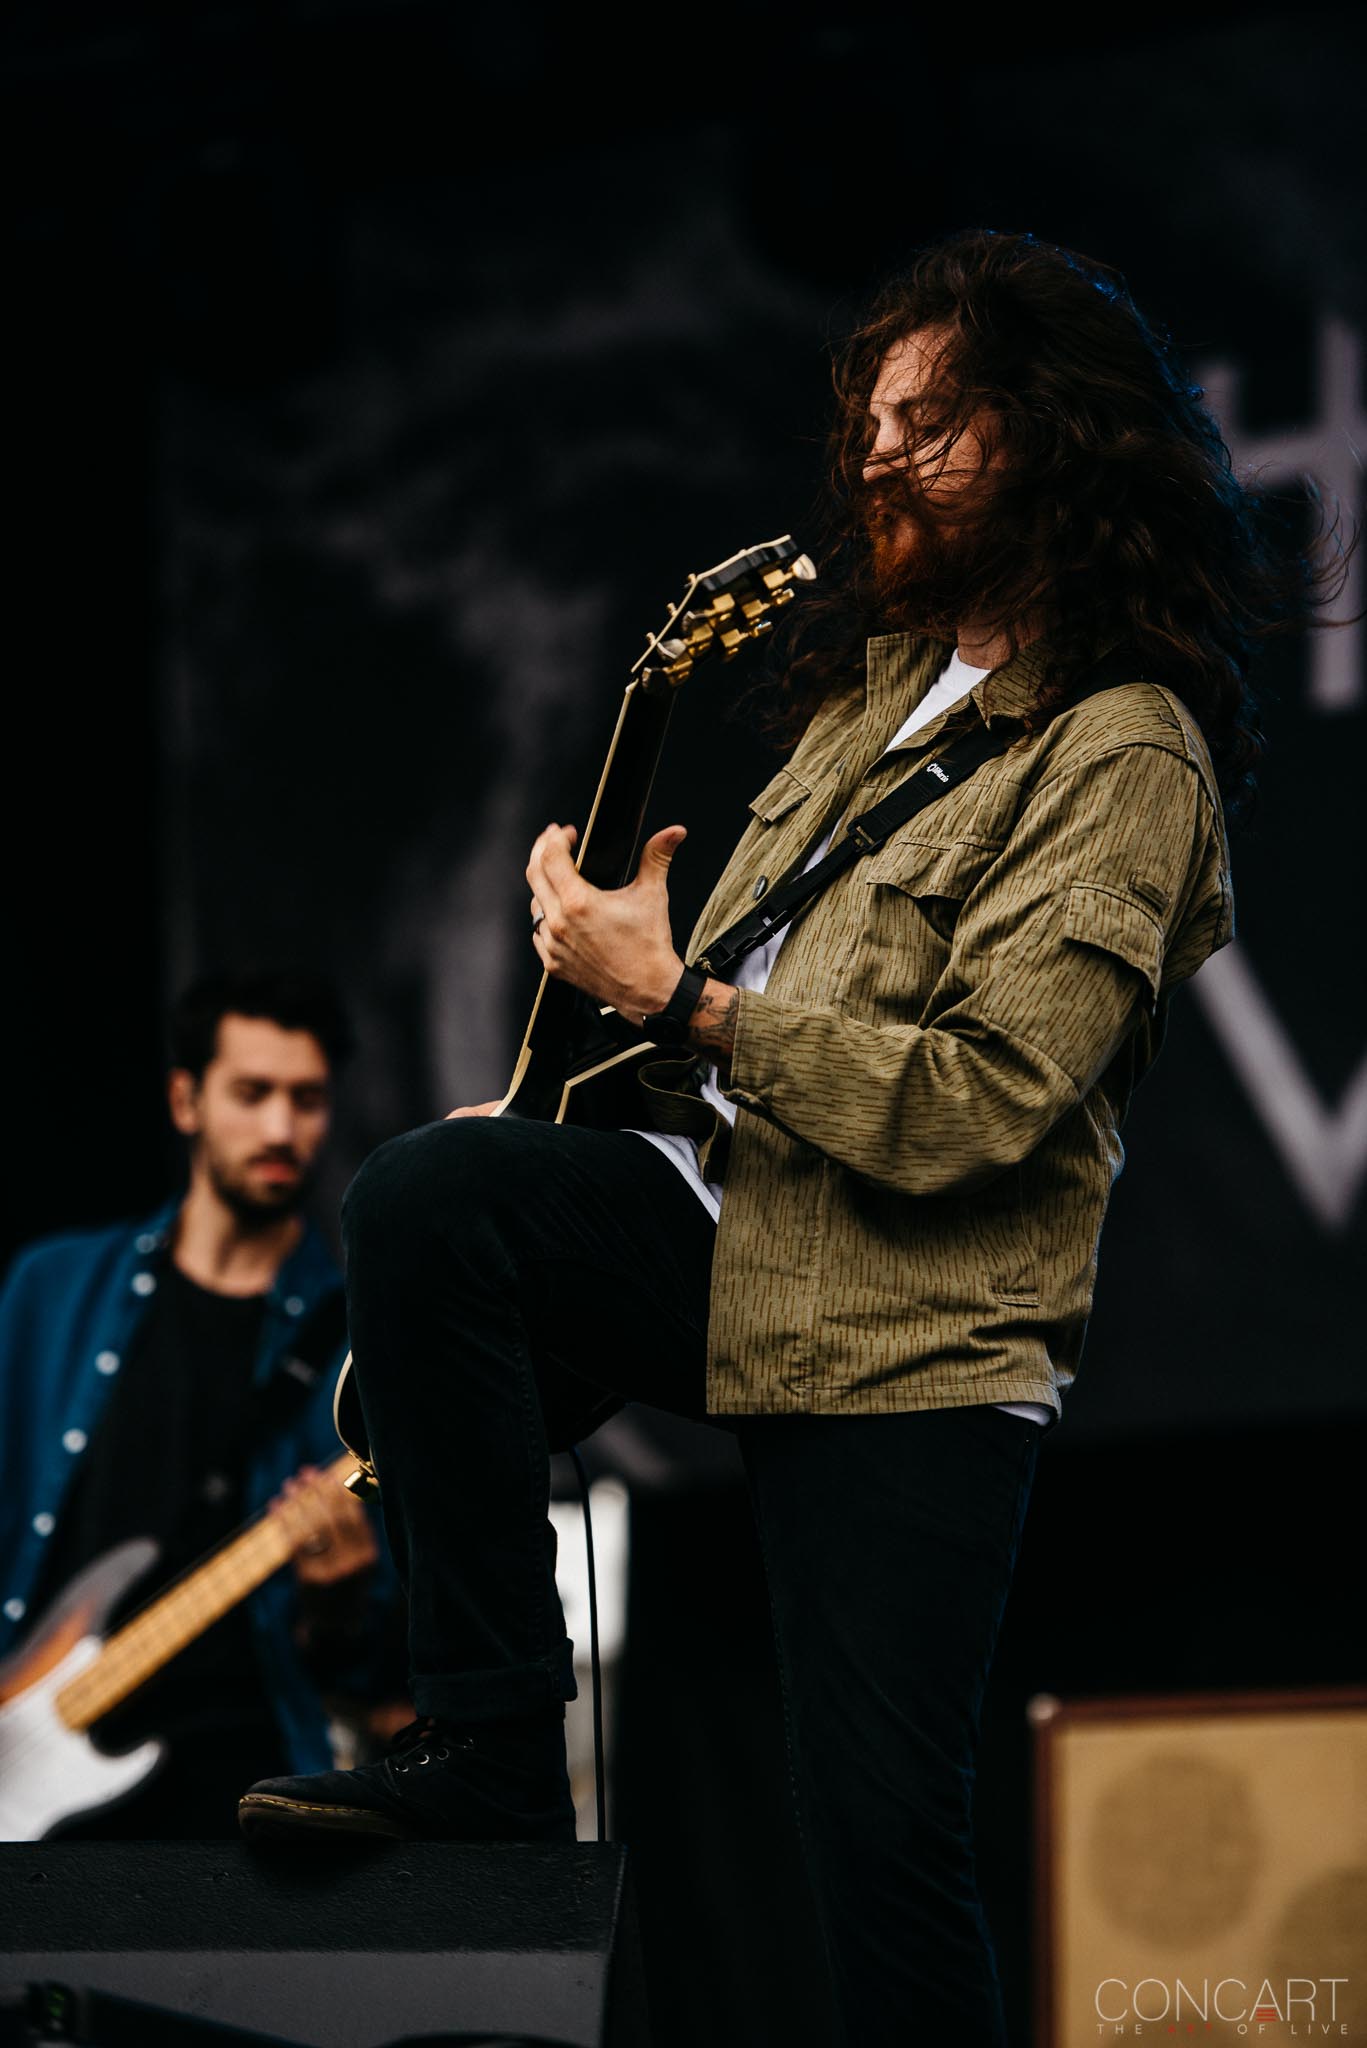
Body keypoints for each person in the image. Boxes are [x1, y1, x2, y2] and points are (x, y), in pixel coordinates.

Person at [238, 232, 1345, 2043]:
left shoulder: (1123, 753)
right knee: (436, 1195)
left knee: (876, 1849)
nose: (879, 455)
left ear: (1052, 440)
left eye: (932, 420)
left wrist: (675, 998)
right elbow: (740, 1026)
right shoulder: (866, 705)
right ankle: (491, 1753)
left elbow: (983, 1098)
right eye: (872, 421)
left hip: (909, 1340)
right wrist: (578, 1074)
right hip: (736, 1236)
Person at [0, 968, 402, 1839]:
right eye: (252, 1094)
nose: (280, 1128)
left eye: (306, 1099)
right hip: (28, 1782)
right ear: (186, 1100)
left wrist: (338, 1605)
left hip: (240, 1799)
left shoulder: (360, 1348)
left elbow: (373, 1663)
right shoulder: (50, 1289)